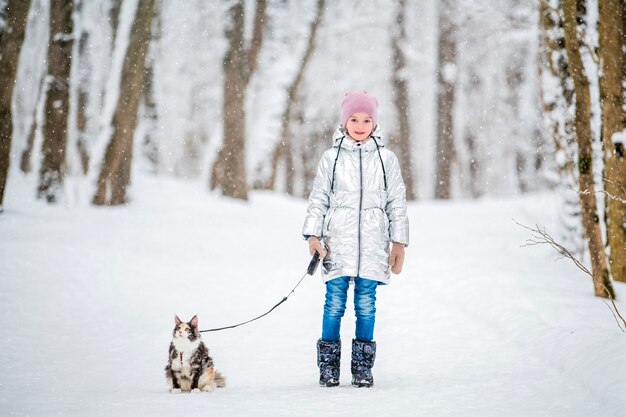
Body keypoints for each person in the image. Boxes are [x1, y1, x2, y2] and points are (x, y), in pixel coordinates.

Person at [302, 90, 409, 388]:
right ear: (344, 121)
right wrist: (313, 235)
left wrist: (399, 242)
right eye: (353, 119)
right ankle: (329, 367)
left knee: (366, 304)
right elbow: (319, 199)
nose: (360, 125)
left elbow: (396, 203)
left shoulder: (386, 160)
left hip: (374, 247)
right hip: (337, 245)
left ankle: (362, 367)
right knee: (334, 304)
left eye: (366, 119)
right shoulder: (331, 158)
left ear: (374, 123)